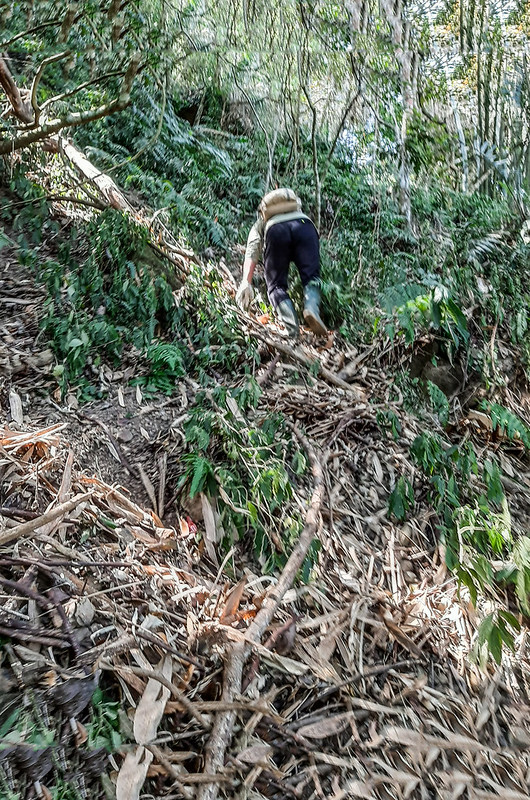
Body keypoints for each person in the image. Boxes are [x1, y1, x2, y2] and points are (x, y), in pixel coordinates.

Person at [236, 188, 327, 339]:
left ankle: (293, 331)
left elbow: (252, 249)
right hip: (306, 227)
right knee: (312, 278)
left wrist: (246, 281)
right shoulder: (299, 213)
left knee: (276, 286)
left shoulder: (261, 222)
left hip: (276, 230)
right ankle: (311, 308)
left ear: (263, 211)